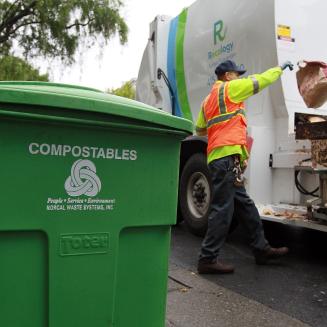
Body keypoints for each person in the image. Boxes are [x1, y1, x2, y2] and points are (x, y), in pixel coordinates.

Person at [195, 59, 293, 274]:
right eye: (236, 74)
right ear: (228, 76)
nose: (239, 77)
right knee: (222, 209)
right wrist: (279, 69)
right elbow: (259, 81)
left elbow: (199, 128)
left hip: (220, 158)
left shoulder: (208, 100)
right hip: (227, 158)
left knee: (245, 205)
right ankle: (207, 258)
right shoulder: (231, 88)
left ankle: (261, 249)